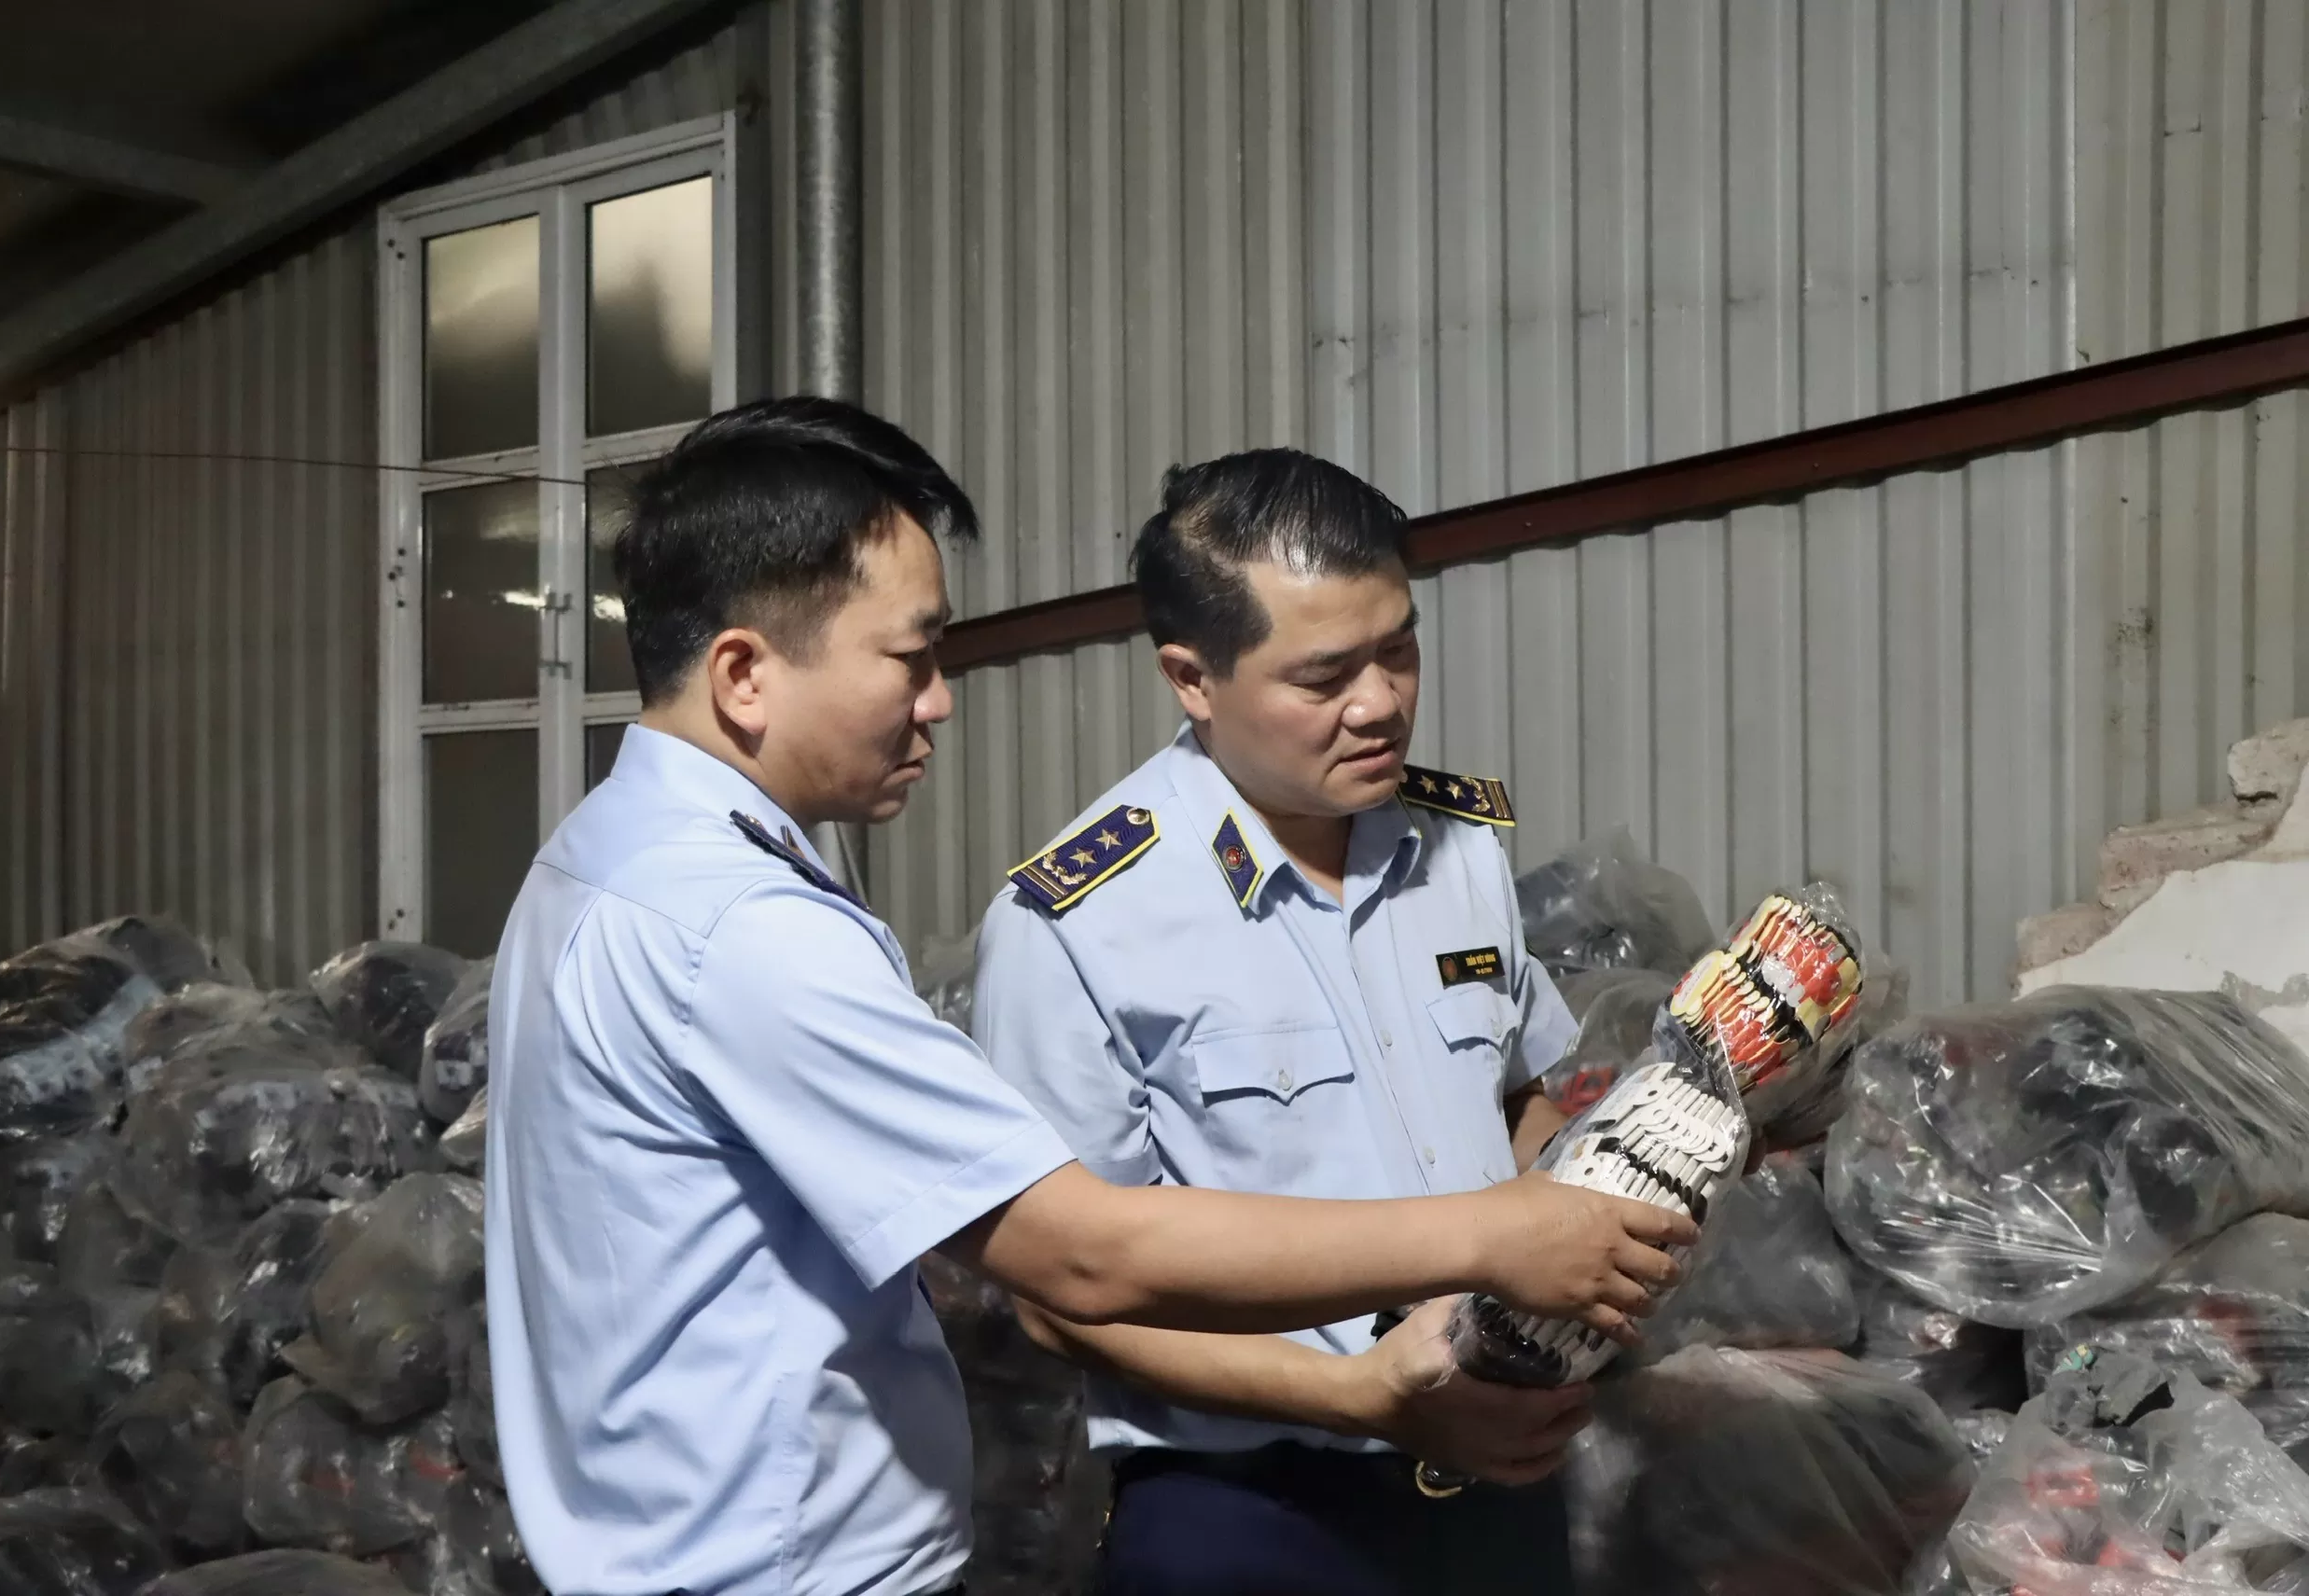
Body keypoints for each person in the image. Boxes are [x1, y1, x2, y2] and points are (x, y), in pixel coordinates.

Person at [482, 399, 1694, 1596]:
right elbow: (1079, 1259)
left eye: (1398, 649)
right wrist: (1484, 1250)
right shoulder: (754, 926)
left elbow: (1517, 1095)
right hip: (1160, 1514)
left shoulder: (603, 864)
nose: (943, 697)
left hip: (1483, 1459)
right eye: (911, 654)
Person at [972, 449, 1599, 1596]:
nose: (1380, 703)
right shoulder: (1078, 919)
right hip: (1251, 1513)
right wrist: (1358, 1396)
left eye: (1398, 648)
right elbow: (1057, 1297)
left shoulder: (1458, 849)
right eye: (1322, 677)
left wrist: (1569, 1249)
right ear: (1191, 676)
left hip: (1500, 1477)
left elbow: (1518, 1095)